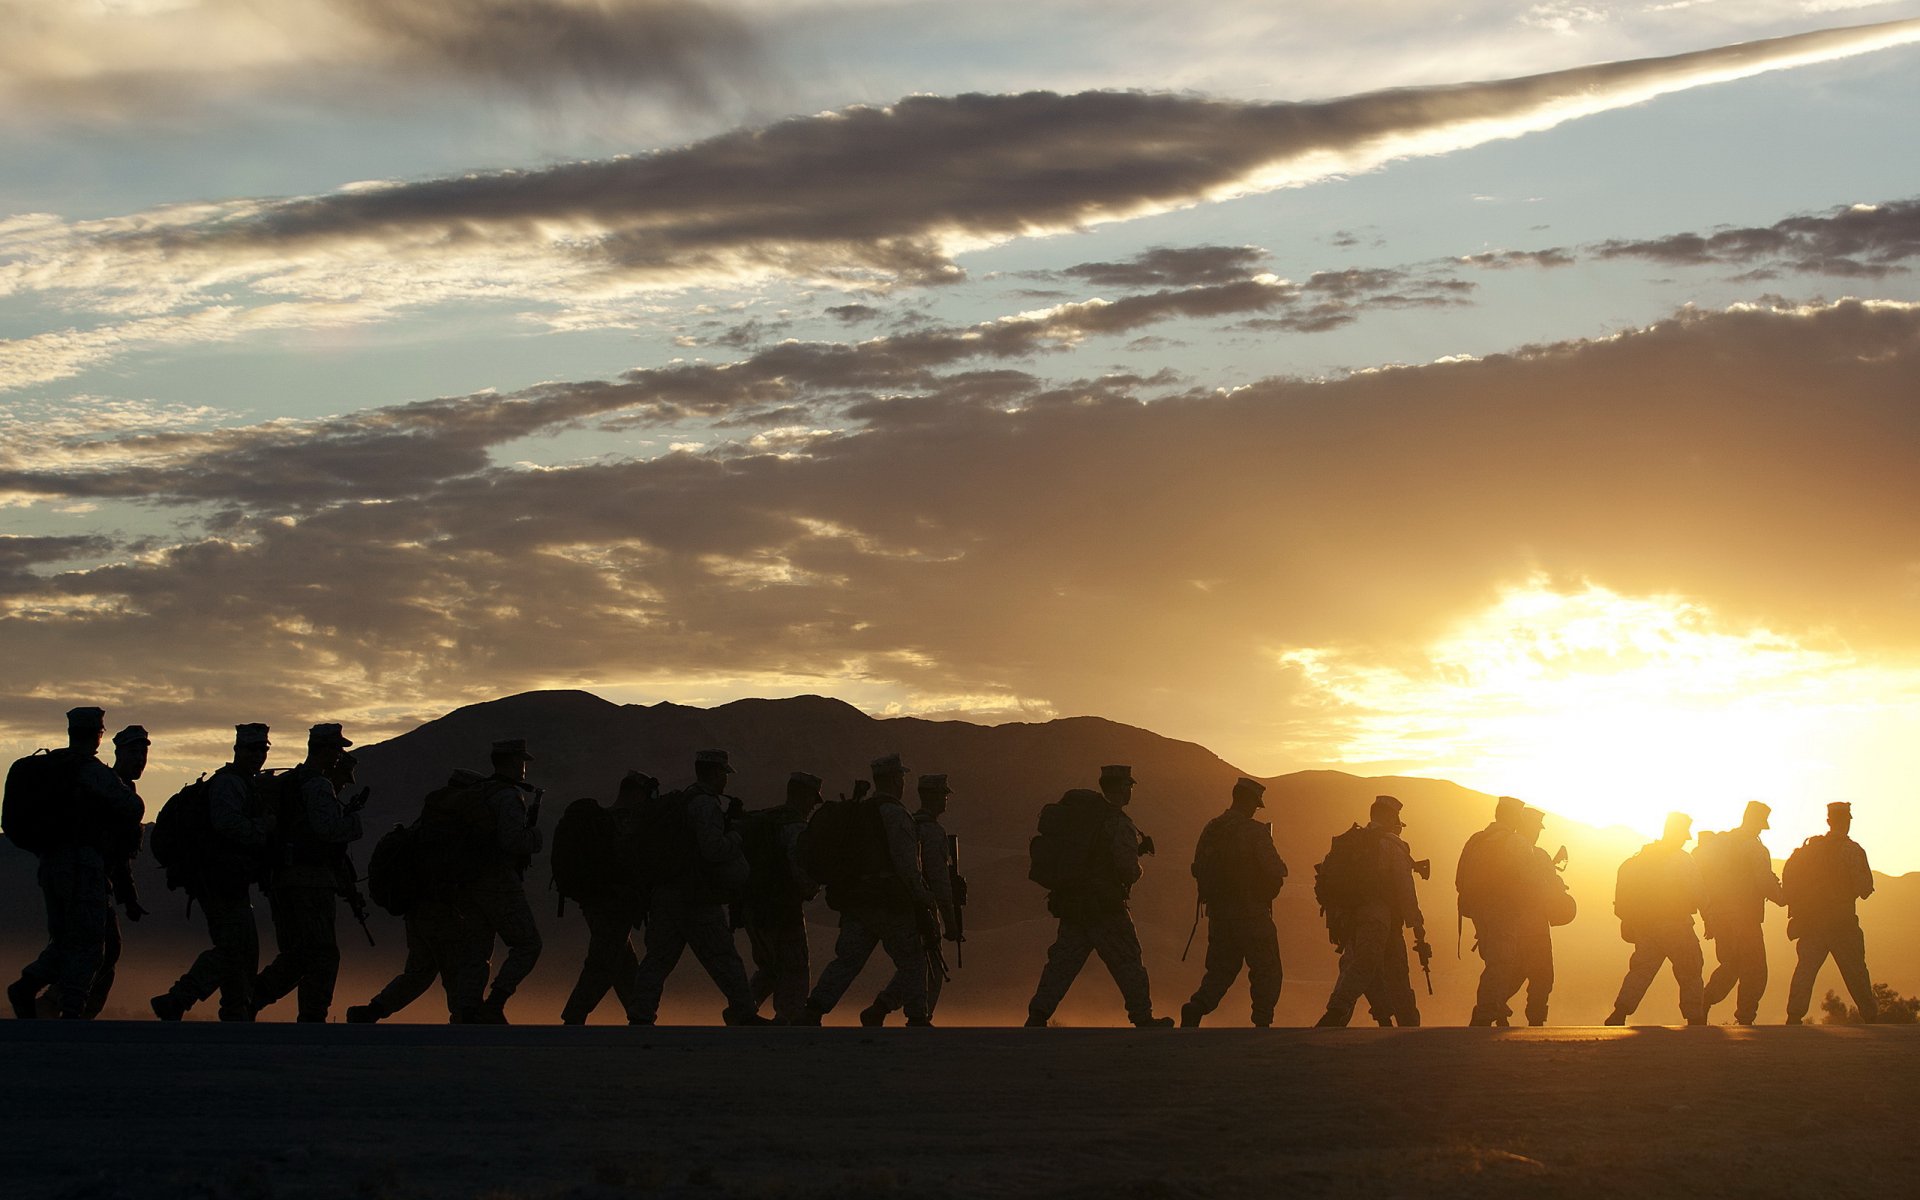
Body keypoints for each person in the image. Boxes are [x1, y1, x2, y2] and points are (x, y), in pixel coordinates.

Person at [7, 707, 145, 1020]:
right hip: (83, 866)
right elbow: (132, 806)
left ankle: (30, 987)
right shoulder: (89, 769)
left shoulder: (52, 767)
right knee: (90, 944)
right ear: (99, 735)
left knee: (69, 939)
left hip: (50, 864)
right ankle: (70, 1009)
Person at [1024, 765, 1175, 1028]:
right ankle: (1142, 1015)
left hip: (1075, 905)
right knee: (1128, 960)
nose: (1130, 791)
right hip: (1106, 908)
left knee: (1062, 963)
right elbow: (1127, 871)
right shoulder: (1118, 822)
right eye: (1128, 786)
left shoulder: (1085, 820)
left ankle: (1038, 1014)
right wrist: (1138, 862)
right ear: (1120, 788)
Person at [628, 750, 766, 1026]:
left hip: (666, 894)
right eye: (723, 775)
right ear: (714, 773)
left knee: (657, 959)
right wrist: (737, 835)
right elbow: (713, 849)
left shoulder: (682, 800)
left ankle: (640, 1015)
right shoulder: (705, 805)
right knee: (724, 958)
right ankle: (743, 1011)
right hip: (696, 896)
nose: (725, 781)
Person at [799, 753, 938, 1026]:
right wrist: (924, 900)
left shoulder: (857, 812)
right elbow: (907, 867)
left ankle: (813, 1009)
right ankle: (917, 1016)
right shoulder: (896, 814)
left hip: (857, 901)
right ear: (897, 780)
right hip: (889, 902)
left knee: (847, 961)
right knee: (913, 959)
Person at [152, 723, 277, 1022]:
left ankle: (235, 1010)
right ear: (237, 750)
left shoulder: (244, 783)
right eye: (252, 749)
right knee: (234, 948)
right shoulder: (230, 784)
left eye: (263, 749)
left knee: (242, 949)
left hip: (228, 878)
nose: (258, 755)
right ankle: (179, 998)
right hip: (219, 879)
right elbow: (226, 824)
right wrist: (263, 828)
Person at [347, 768, 492, 1024]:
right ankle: (465, 1020)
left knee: (420, 971)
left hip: (417, 910)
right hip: (439, 910)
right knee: (455, 969)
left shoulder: (426, 823)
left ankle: (372, 1011)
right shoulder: (450, 828)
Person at [253, 724, 363, 1021]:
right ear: (324, 749)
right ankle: (311, 1017)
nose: (340, 756)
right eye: (337, 749)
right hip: (310, 881)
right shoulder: (317, 785)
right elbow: (327, 830)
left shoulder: (293, 782)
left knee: (297, 954)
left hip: (285, 879)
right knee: (323, 954)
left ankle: (250, 999)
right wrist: (353, 822)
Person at [1180, 777, 1288, 1028]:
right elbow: (1277, 870)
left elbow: (1198, 868)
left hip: (1219, 913)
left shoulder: (1212, 828)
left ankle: (1197, 1006)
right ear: (1250, 802)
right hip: (1251, 912)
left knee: (1221, 969)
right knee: (1267, 969)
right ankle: (1262, 1021)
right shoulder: (1254, 831)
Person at [1316, 795, 1428, 1027]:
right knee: (1366, 967)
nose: (1398, 822)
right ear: (1388, 816)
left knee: (1368, 967)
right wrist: (1418, 927)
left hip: (1352, 918)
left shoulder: (1352, 841)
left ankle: (1402, 1022)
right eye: (1396, 817)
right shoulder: (1391, 844)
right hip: (1378, 917)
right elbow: (1405, 890)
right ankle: (1335, 1014)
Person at [864, 772, 963, 1025]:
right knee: (931, 967)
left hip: (901, 902)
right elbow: (940, 882)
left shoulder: (908, 822)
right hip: (922, 905)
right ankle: (919, 1017)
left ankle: (882, 1006)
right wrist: (950, 921)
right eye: (943, 795)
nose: (945, 800)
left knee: (916, 965)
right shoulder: (931, 831)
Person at [558, 771, 655, 1025]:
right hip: (613, 904)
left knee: (624, 963)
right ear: (636, 793)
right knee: (603, 963)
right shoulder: (623, 824)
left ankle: (640, 1018)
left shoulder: (604, 821)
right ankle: (574, 1016)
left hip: (597, 901)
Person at [468, 738, 544, 1024]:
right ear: (512, 762)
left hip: (471, 883)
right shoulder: (508, 796)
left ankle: (467, 1010)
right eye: (521, 761)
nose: (524, 767)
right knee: (528, 944)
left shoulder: (478, 791)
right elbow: (512, 840)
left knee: (477, 951)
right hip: (498, 881)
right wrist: (535, 838)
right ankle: (496, 1000)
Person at [1605, 812, 1706, 1026]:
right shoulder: (1681, 859)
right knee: (1690, 970)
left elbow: (1623, 899)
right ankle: (1695, 1018)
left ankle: (1619, 1013)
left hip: (1647, 927)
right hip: (1677, 925)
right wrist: (1710, 916)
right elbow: (1698, 893)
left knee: (1640, 972)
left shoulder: (1638, 861)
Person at [739, 771, 824, 1023]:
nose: (812, 806)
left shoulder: (765, 819)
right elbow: (798, 865)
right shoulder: (794, 827)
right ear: (802, 796)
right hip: (783, 908)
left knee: (769, 967)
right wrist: (811, 888)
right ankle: (790, 1018)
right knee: (795, 965)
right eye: (811, 799)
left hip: (753, 907)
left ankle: (743, 1008)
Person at [1783, 802, 1877, 1025]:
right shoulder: (1852, 850)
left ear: (1828, 821)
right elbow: (1865, 889)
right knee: (1856, 973)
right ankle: (1871, 1016)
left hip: (1812, 924)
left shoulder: (1810, 850)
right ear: (1848, 822)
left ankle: (1794, 1017)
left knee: (1805, 971)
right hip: (1842, 924)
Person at [85, 725, 153, 1018]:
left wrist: (129, 898)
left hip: (101, 882)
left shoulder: (124, 790)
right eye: (133, 752)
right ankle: (59, 1006)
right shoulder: (109, 790)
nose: (140, 758)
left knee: (104, 950)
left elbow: (122, 856)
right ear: (118, 753)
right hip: (85, 879)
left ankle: (70, 1009)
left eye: (143, 752)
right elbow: (112, 848)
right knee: (95, 949)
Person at [1698, 801, 1786, 1025]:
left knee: (1731, 965)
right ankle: (1745, 1018)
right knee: (1755, 970)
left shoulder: (1720, 844)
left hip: (1720, 917)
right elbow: (1765, 882)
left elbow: (1703, 878)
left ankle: (1703, 1003)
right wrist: (1783, 898)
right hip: (1745, 918)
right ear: (1756, 822)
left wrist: (1709, 917)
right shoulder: (1754, 848)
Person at [1456, 795, 1534, 1027]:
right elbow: (1528, 880)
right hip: (1503, 911)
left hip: (1479, 912)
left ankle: (1496, 1009)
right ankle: (1485, 1013)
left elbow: (1460, 880)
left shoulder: (1476, 840)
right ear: (1514, 816)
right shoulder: (1516, 842)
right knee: (1502, 962)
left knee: (1495, 960)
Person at [1509, 805, 1574, 1027]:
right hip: (1534, 924)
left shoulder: (1507, 851)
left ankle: (1493, 1006)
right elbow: (1548, 887)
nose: (1538, 832)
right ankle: (1535, 1019)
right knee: (1542, 975)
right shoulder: (1536, 854)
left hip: (1510, 924)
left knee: (1514, 972)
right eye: (1536, 828)